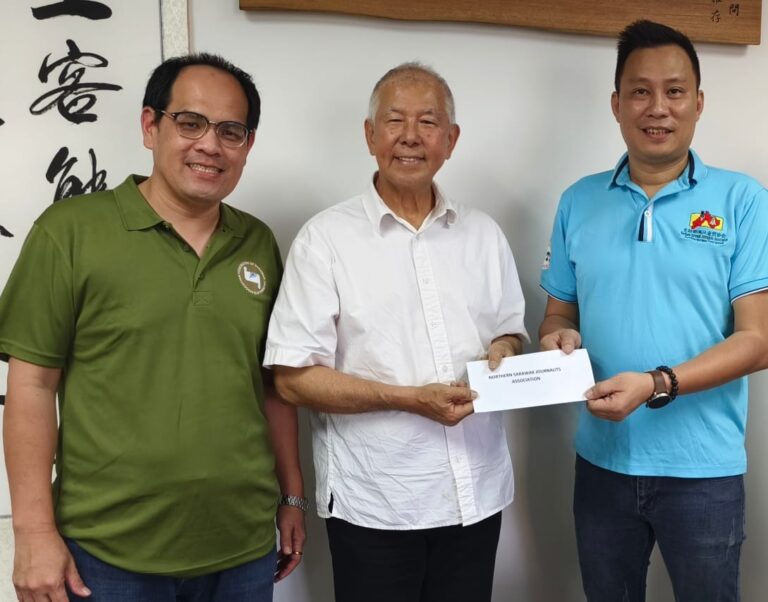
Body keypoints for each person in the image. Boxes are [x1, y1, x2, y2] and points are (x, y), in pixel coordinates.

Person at [0, 53, 305, 602]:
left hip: (242, 547)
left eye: (230, 132)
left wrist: (292, 496)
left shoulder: (258, 243)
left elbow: (272, 386)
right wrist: (33, 532)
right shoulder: (69, 232)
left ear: (247, 145)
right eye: (190, 123)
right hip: (106, 554)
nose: (210, 145)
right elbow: (32, 386)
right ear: (150, 126)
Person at [264, 62, 528, 602]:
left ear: (451, 140)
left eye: (428, 122)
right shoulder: (325, 240)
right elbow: (291, 379)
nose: (411, 136)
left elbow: (510, 332)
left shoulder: (484, 234)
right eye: (394, 120)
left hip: (476, 497)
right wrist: (407, 399)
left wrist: (505, 347)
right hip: (375, 504)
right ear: (370, 136)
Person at [539, 20, 768, 602]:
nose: (657, 107)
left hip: (704, 470)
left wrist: (656, 383)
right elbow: (558, 316)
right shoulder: (578, 200)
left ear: (699, 102)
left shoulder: (743, 200)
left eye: (674, 91)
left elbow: (758, 341)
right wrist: (557, 339)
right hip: (602, 463)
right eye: (640, 91)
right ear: (616, 104)